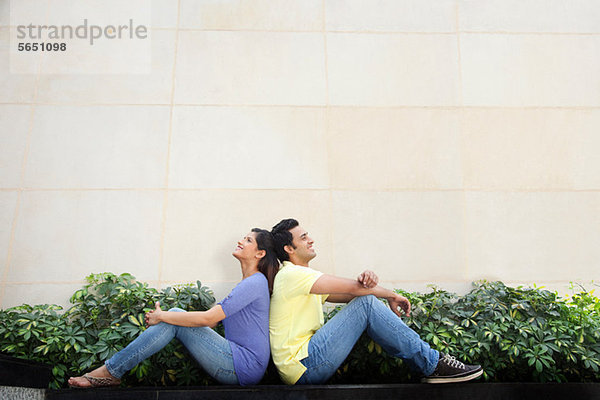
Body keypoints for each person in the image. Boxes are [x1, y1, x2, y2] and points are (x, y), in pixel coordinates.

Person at [269, 218, 482, 385]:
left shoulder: (300, 278)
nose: (311, 240)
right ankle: (434, 364)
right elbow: (356, 292)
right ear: (289, 249)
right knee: (367, 303)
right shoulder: (292, 275)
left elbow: (353, 294)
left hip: (304, 365)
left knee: (366, 301)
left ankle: (432, 363)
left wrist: (366, 281)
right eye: (304, 237)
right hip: (304, 365)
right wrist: (390, 294)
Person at [68, 228, 279, 388]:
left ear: (260, 253)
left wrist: (162, 316)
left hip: (242, 366)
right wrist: (165, 317)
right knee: (175, 317)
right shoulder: (249, 283)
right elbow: (214, 321)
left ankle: (110, 371)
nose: (240, 241)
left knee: (175, 315)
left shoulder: (255, 282)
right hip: (239, 363)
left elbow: (208, 319)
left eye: (248, 240)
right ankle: (111, 371)